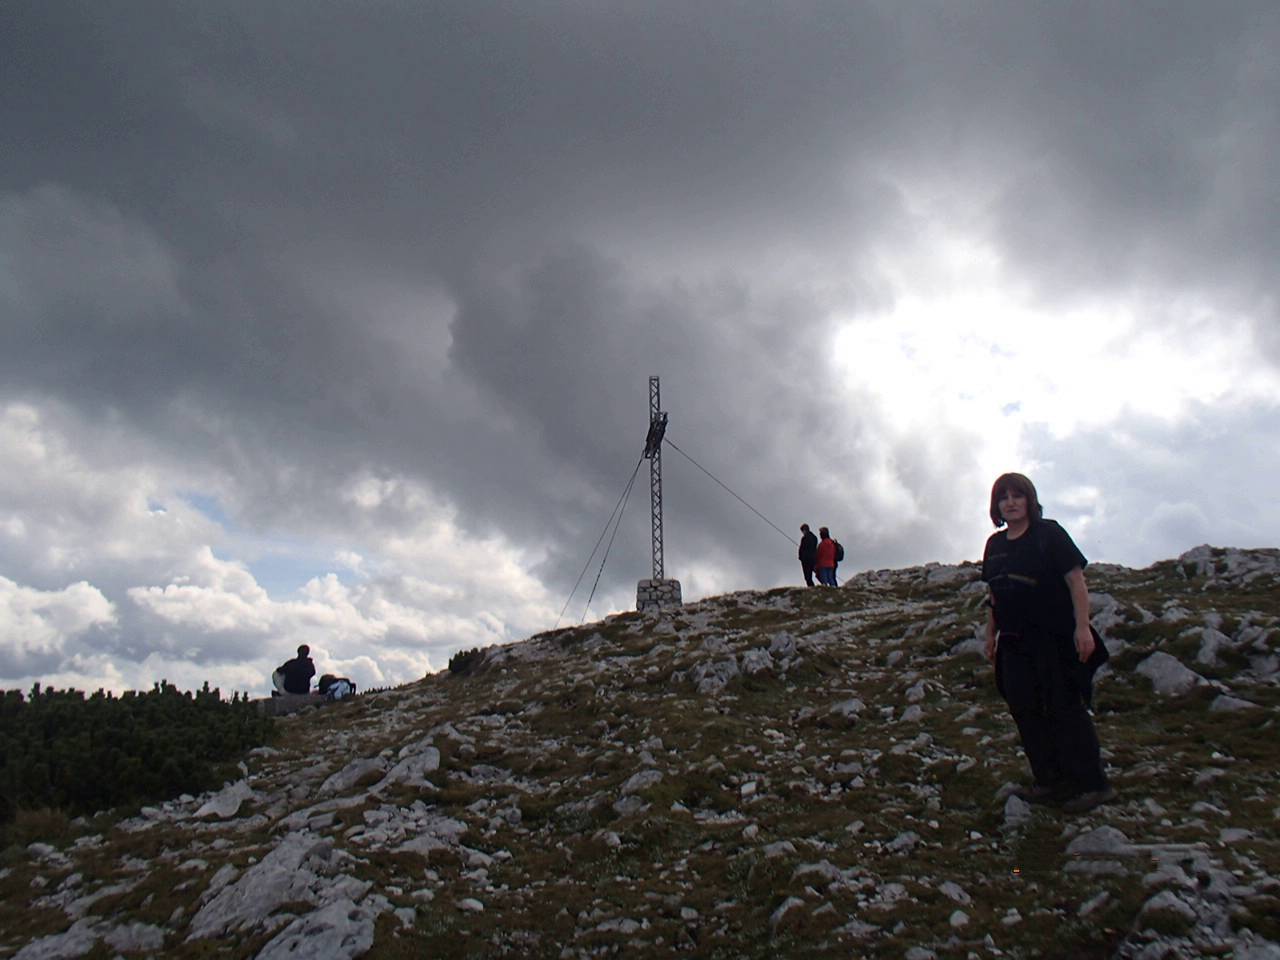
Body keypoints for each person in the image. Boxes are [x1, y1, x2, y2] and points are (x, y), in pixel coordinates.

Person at [981, 473, 1115, 814]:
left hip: (1054, 637)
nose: (1010, 503)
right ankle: (1049, 780)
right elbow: (995, 594)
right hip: (1013, 642)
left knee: (1065, 707)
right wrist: (990, 634)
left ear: (1029, 500)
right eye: (1003, 498)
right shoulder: (995, 545)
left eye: (1017, 496)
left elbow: (1076, 581)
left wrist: (1082, 628)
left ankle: (1092, 784)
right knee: (1024, 710)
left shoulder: (1049, 534)